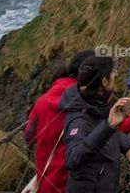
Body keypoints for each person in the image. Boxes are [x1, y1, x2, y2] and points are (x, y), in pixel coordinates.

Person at [61, 55, 130, 193]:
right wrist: (109, 124)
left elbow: (103, 130)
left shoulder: (95, 102)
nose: (115, 75)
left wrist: (126, 147)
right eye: (113, 73)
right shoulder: (78, 120)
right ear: (104, 81)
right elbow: (73, 159)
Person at [25, 50, 94, 193]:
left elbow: (29, 136)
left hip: (47, 178)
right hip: (78, 178)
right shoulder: (88, 102)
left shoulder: (42, 101)